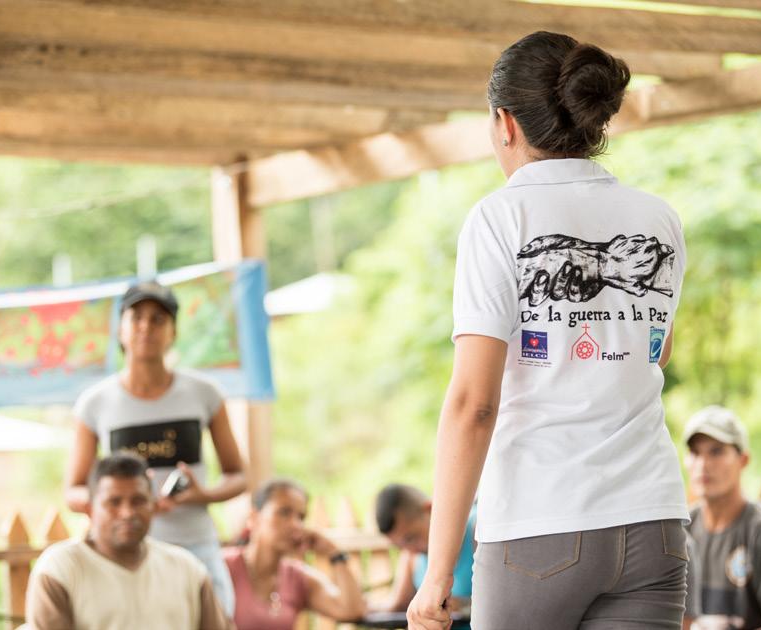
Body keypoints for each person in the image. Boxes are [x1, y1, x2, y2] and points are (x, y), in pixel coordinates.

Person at [407, 31, 690, 630]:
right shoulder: (659, 219)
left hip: (542, 523)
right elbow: (651, 359)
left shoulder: (500, 217)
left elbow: (473, 404)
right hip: (655, 522)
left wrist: (437, 575)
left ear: (504, 123)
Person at [64, 280, 247, 616]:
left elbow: (239, 475)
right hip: (124, 552)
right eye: (136, 318)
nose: (146, 327)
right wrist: (123, 506)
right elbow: (73, 490)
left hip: (195, 543)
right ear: (120, 330)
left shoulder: (205, 393)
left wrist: (201, 494)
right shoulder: (94, 403)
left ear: (173, 332)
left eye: (158, 319)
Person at [26, 453, 230, 630]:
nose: (127, 513)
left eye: (138, 501)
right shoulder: (61, 569)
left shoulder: (187, 569)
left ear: (154, 506)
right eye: (114, 502)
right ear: (89, 509)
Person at [683, 406, 761, 629]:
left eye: (716, 451)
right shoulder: (680, 531)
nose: (703, 464)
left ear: (743, 459)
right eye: (695, 453)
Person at [224, 478, 366, 629]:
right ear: (254, 517)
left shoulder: (297, 578)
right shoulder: (224, 567)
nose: (296, 525)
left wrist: (334, 553)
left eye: (301, 517)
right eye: (284, 512)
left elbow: (352, 610)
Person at [373, 484, 477, 615]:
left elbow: (503, 600)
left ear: (429, 510)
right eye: (400, 547)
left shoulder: (476, 530)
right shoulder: (411, 553)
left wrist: (462, 605)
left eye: (411, 538)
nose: (410, 550)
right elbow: (398, 604)